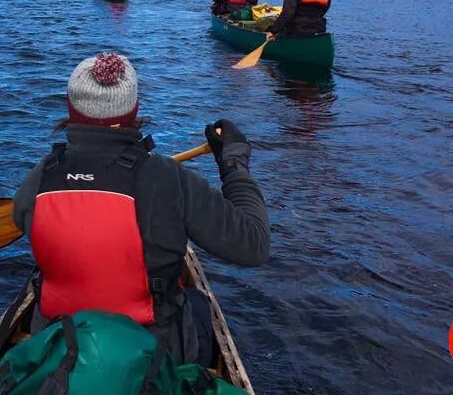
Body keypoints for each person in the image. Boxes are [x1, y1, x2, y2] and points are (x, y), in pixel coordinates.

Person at [13, 53, 270, 366]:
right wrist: (234, 165)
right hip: (150, 350)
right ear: (133, 109)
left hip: (59, 342)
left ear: (71, 108)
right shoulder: (169, 179)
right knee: (199, 306)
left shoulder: (40, 177)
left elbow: (19, 216)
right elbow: (254, 245)